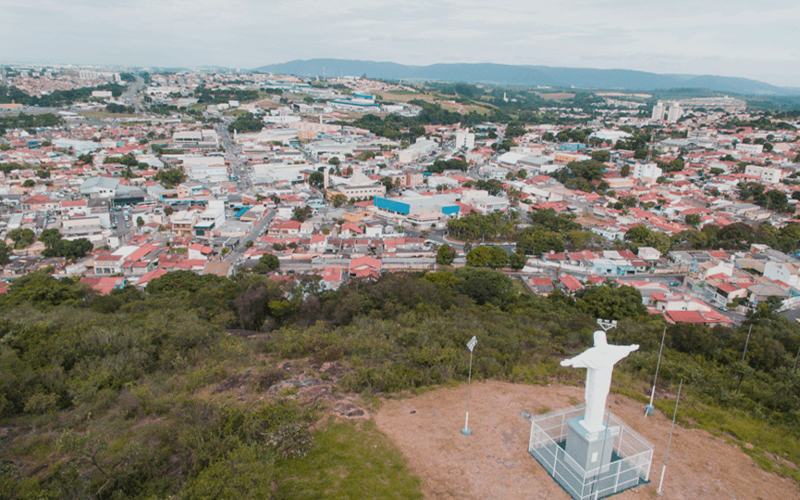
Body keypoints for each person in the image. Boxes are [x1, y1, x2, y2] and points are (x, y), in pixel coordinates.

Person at [561, 331, 639, 432]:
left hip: (596, 381)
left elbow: (582, 357)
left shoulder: (595, 352)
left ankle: (593, 423)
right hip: (604, 380)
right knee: (599, 399)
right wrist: (630, 348)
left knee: (594, 398)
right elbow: (622, 349)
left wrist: (570, 362)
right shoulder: (611, 350)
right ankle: (592, 422)